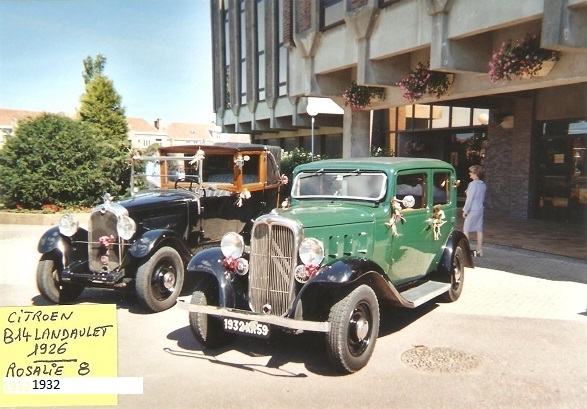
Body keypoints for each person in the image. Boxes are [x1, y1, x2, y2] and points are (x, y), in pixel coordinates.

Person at [462, 165, 486, 257]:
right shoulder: (483, 185)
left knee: (466, 229)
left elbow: (469, 199)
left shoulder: (472, 184)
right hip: (480, 208)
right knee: (479, 229)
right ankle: (479, 249)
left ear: (475, 174)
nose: (470, 174)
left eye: (471, 172)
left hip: (472, 209)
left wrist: (465, 210)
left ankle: (466, 250)